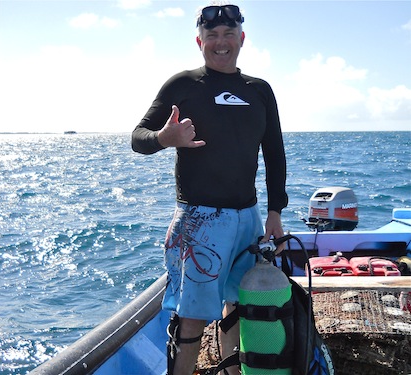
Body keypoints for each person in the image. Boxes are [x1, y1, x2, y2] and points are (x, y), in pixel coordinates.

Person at [132, 3, 288, 374]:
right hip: (199, 221)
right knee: (192, 319)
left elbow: (275, 155)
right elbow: (138, 138)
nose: (221, 42)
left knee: (239, 306)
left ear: (242, 39)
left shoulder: (260, 91)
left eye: (228, 34)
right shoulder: (183, 85)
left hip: (247, 219)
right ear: (199, 40)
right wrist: (164, 137)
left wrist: (275, 213)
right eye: (212, 35)